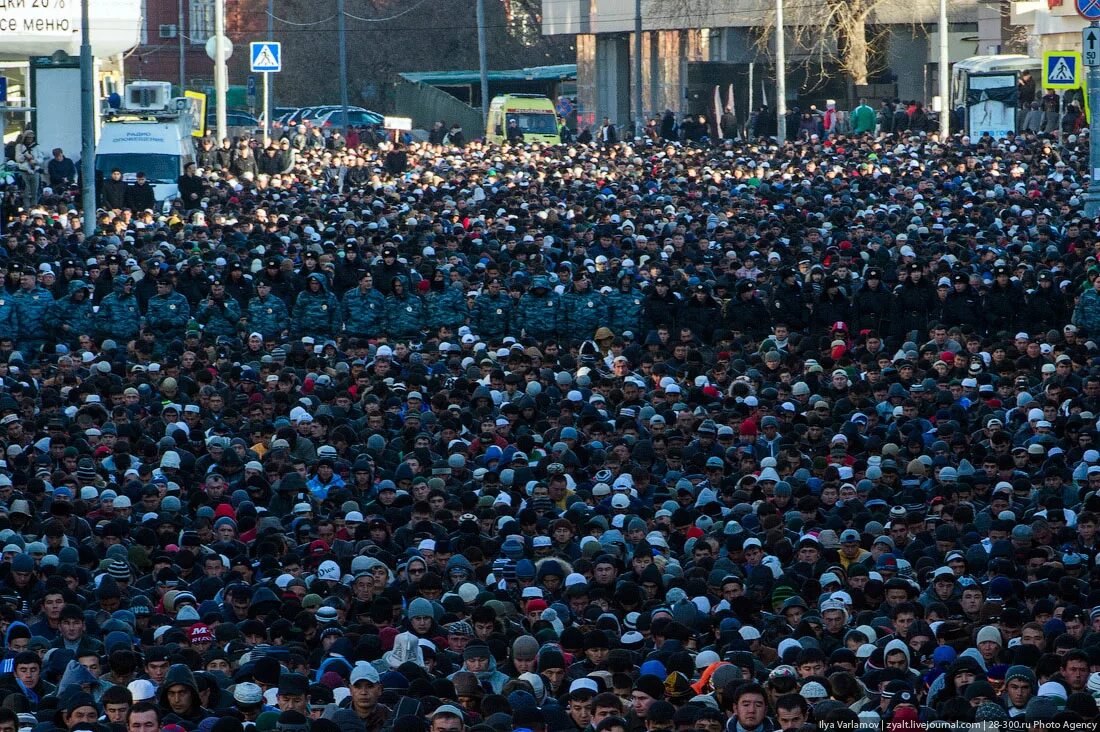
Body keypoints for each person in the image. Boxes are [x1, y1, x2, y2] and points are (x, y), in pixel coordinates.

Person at [15, 130, 42, 208]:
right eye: (28, 138)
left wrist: (35, 161)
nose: (30, 139)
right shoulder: (20, 147)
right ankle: (26, 209)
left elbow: (41, 158)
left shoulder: (36, 147)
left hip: (35, 171)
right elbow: (18, 159)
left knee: (35, 192)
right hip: (24, 172)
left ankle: (34, 209)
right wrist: (26, 156)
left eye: (31, 138)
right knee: (25, 193)